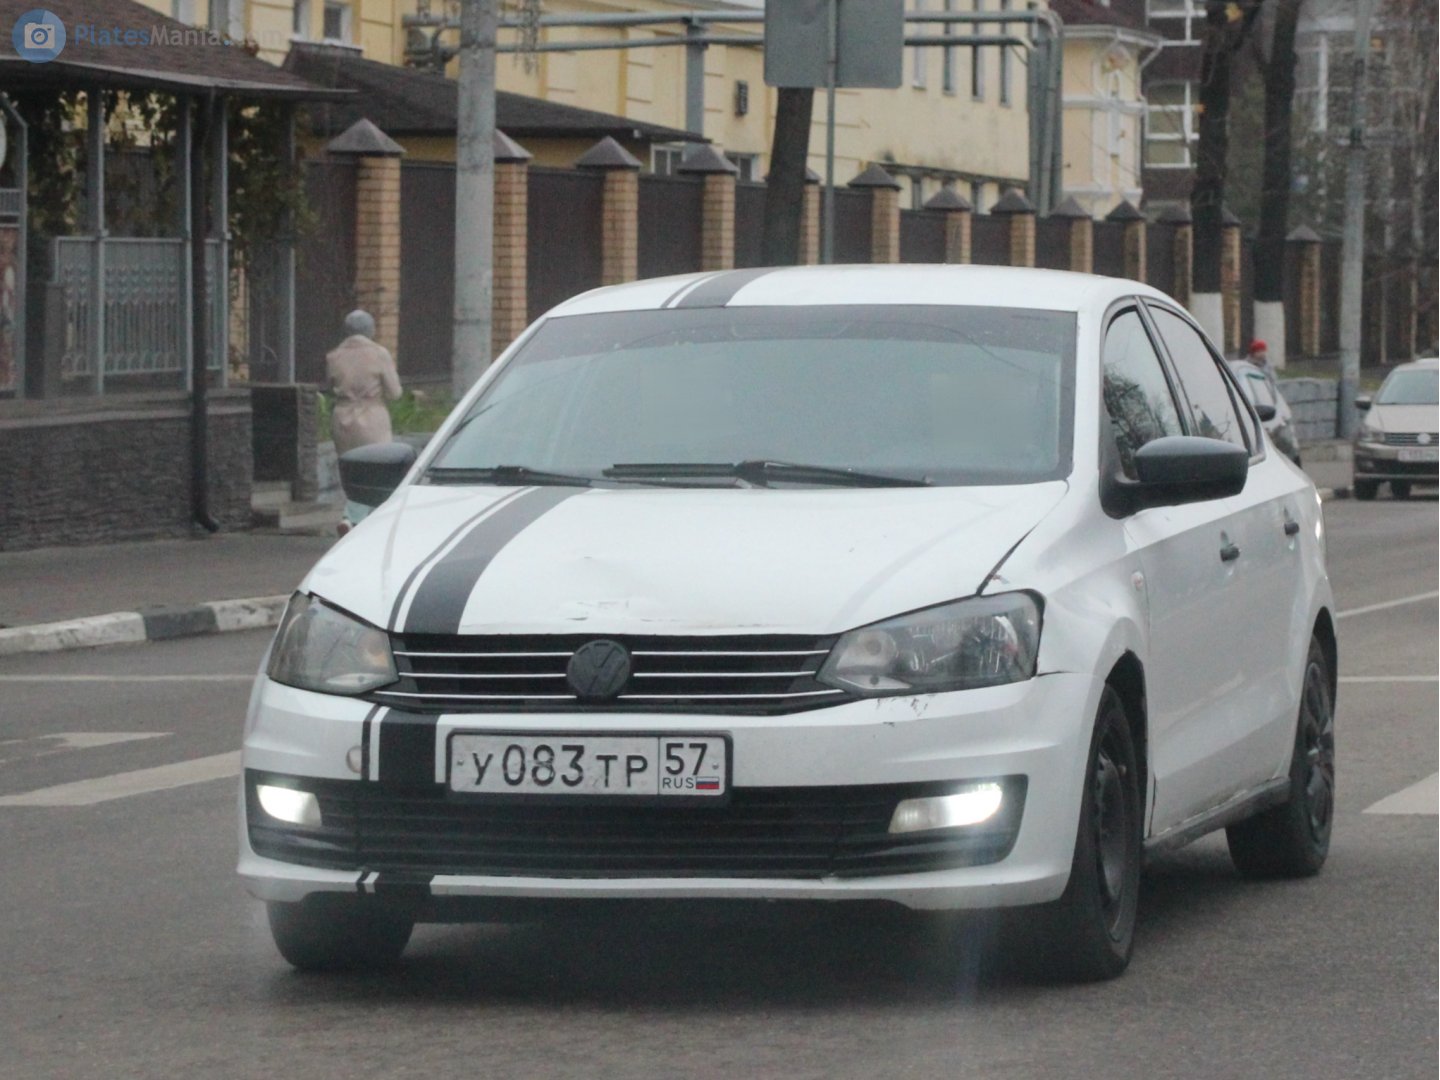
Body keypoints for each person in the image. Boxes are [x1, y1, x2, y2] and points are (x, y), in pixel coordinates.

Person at [326, 310, 402, 456]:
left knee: (348, 467)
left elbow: (330, 389)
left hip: (342, 418)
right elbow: (395, 393)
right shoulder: (379, 354)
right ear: (371, 330)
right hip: (373, 418)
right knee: (377, 465)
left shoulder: (333, 356)